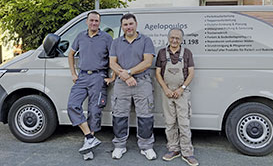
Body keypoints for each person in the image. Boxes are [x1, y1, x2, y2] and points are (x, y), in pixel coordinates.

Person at [109, 13, 157, 160]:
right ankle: (119, 146)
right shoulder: (116, 42)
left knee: (145, 116)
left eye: (131, 24)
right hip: (121, 83)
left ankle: (146, 146)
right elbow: (112, 63)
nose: (128, 27)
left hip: (142, 82)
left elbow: (147, 62)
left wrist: (129, 72)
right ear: (122, 27)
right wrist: (125, 77)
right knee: (119, 115)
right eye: (125, 25)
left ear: (136, 24)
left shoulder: (146, 40)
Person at [67, 11, 114, 160]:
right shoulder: (81, 36)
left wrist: (113, 77)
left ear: (99, 23)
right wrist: (73, 73)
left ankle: (88, 148)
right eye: (91, 21)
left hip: (99, 77)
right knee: (72, 105)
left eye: (96, 21)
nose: (94, 23)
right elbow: (71, 54)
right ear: (86, 22)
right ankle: (89, 137)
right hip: (82, 77)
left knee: (94, 111)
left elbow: (114, 58)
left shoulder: (106, 38)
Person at [155, 28, 199, 166]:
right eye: (172, 37)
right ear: (168, 38)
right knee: (170, 122)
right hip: (167, 92)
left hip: (182, 93)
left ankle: (187, 152)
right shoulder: (162, 53)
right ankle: (173, 149)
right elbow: (157, 73)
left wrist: (182, 89)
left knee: (184, 123)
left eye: (177, 38)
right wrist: (165, 89)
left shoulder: (187, 53)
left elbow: (191, 73)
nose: (174, 40)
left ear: (181, 40)